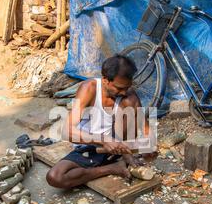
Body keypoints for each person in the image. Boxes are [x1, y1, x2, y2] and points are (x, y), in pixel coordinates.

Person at [46, 54, 156, 189]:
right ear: (105, 80)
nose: (123, 92)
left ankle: (124, 158)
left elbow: (146, 130)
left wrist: (149, 145)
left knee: (130, 105)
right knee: (55, 177)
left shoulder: (129, 96)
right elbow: (67, 131)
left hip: (117, 147)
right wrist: (103, 139)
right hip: (90, 144)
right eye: (119, 88)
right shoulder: (89, 88)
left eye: (127, 87)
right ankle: (112, 168)